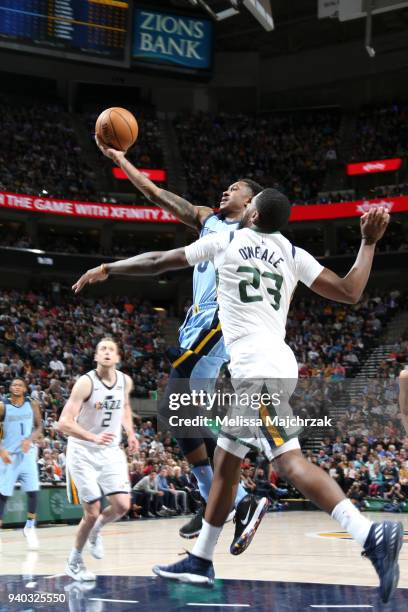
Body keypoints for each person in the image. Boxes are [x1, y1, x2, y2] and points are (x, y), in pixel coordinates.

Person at [73, 190, 401, 604]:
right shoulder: (291, 251)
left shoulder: (227, 241)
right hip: (270, 365)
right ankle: (200, 559)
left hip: (259, 372)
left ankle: (371, 535)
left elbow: (159, 261)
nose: (240, 209)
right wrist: (368, 243)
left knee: (289, 460)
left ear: (255, 213)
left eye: (247, 204)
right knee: (226, 461)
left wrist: (107, 267)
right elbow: (351, 291)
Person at [94, 137, 267, 541]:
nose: (227, 190)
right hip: (197, 327)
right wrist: (122, 160)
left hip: (219, 326)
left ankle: (234, 497)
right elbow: (155, 193)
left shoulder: (249, 232)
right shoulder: (209, 220)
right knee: (181, 418)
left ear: (252, 203)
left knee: (175, 406)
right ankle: (222, 498)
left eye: (237, 187)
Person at [57, 338, 139, 581]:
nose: (106, 352)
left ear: (117, 358)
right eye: (102, 349)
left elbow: (124, 406)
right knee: (91, 511)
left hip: (111, 450)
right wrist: (92, 437)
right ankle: (74, 561)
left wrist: (131, 433)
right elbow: (63, 422)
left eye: (111, 349)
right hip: (83, 450)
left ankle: (96, 531)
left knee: (123, 506)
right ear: (96, 356)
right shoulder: (86, 383)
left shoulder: (125, 381)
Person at [0, 378, 42, 549]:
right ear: (10, 388)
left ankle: (30, 526)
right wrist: (1, 450)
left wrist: (30, 439)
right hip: (8, 454)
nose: (16, 387)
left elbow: (39, 426)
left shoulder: (32, 404)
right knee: (3, 494)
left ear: (25, 388)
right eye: (13, 385)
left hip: (27, 453)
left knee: (33, 491)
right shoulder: (3, 405)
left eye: (19, 385)